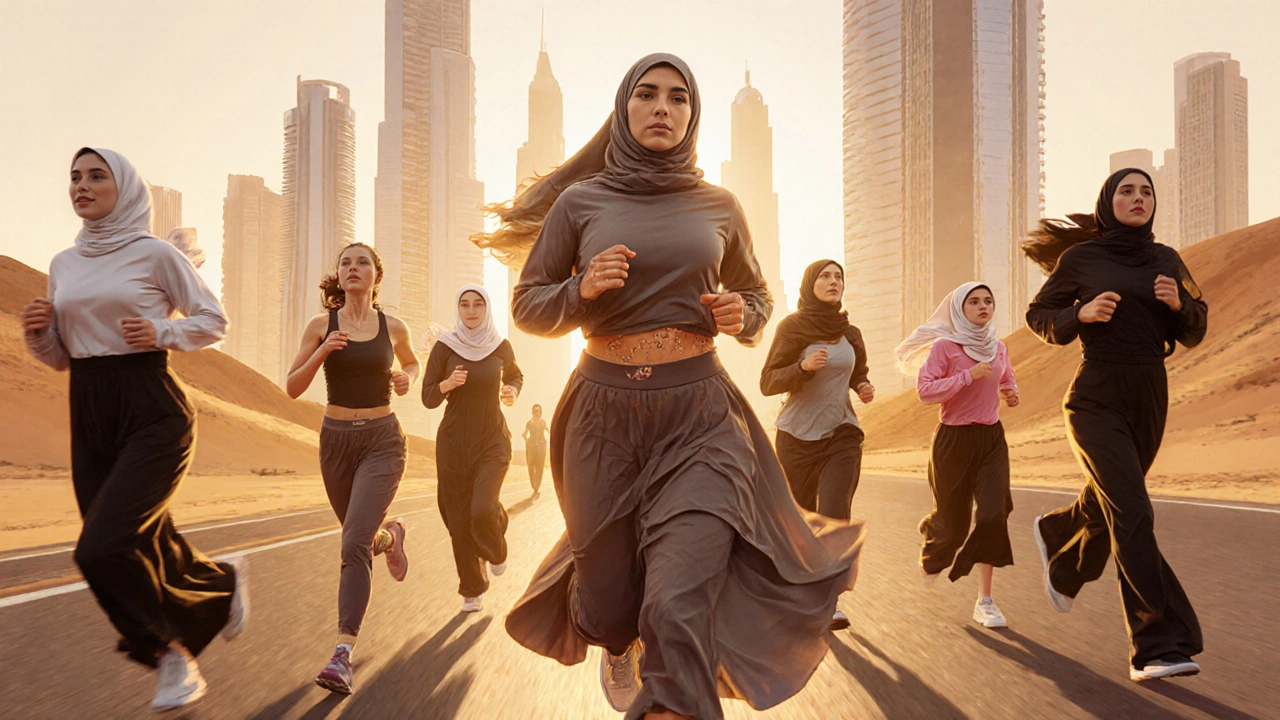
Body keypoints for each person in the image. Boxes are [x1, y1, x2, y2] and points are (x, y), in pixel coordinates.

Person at [477, 54, 864, 720]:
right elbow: (527, 307)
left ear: (693, 115)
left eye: (679, 98)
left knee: (676, 605)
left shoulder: (719, 205)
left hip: (700, 420)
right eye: (649, 95)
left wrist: (744, 317)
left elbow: (757, 295)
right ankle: (610, 634)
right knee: (609, 607)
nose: (664, 107)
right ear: (624, 109)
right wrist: (580, 288)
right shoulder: (581, 202)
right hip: (602, 415)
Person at [22, 147, 246, 713]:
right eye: (74, 176)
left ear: (124, 187)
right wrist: (38, 336)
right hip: (89, 408)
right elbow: (62, 358)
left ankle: (171, 654)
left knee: (100, 548)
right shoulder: (63, 263)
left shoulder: (153, 254)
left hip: (152, 406)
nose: (82, 185)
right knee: (142, 537)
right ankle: (221, 584)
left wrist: (160, 332)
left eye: (97, 175)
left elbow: (213, 321)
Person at [1023, 167, 1207, 681]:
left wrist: (1180, 304)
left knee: (1115, 503)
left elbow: (1197, 326)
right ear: (1108, 201)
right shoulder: (1082, 258)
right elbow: (1039, 314)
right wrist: (1078, 315)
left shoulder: (1167, 259)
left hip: (1150, 397)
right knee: (1134, 513)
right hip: (1095, 398)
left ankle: (1059, 532)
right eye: (1127, 190)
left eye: (1146, 191)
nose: (1138, 198)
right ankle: (1156, 645)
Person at [285, 242, 418, 695]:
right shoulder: (321, 325)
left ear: (376, 276)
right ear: (338, 277)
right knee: (359, 538)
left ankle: (342, 654)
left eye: (363, 262)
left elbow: (412, 364)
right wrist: (323, 351)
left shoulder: (394, 326)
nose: (353, 267)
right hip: (335, 442)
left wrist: (406, 378)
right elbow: (291, 387)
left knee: (352, 543)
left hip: (382, 440)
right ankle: (391, 535)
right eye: (346, 262)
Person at [894, 282, 1019, 629]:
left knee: (993, 516)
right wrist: (966, 375)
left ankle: (986, 601)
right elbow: (924, 392)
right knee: (954, 527)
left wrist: (1011, 391)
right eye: (974, 301)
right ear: (959, 309)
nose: (983, 306)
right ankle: (934, 531)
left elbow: (1006, 376)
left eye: (988, 301)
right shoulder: (945, 348)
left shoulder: (999, 347)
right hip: (953, 442)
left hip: (992, 440)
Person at [760, 259, 874, 631]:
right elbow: (767, 382)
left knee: (834, 513)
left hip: (842, 432)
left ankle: (829, 602)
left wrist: (862, 387)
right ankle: (793, 593)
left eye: (839, 276)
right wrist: (802, 369)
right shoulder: (792, 328)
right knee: (798, 521)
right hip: (796, 437)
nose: (833, 281)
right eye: (825, 276)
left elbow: (857, 372)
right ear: (810, 283)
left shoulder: (850, 331)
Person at [421, 284, 523, 613]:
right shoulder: (445, 347)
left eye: (478, 304)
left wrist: (510, 390)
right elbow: (427, 396)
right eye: (464, 304)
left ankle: (495, 548)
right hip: (453, 444)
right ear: (458, 309)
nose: (471, 311)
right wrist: (446, 385)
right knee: (457, 521)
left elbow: (516, 376)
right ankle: (472, 587)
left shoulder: (499, 345)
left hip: (492, 439)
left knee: (482, 509)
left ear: (487, 308)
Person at [523, 404, 549, 497]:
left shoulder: (542, 422)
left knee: (540, 467)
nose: (536, 413)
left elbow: (547, 431)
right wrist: (528, 443)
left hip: (541, 448)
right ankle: (534, 486)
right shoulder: (530, 423)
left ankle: (536, 487)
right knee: (531, 467)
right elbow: (524, 434)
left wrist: (546, 438)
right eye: (535, 411)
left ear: (540, 412)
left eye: (538, 411)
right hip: (532, 448)